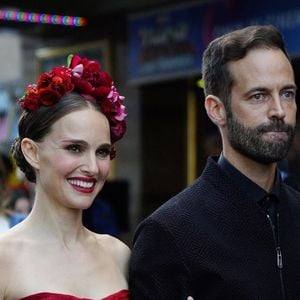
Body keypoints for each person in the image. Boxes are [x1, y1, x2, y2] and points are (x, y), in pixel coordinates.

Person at [129, 25, 300, 299]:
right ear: (216, 110)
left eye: (287, 94)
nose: (279, 110)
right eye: (259, 96)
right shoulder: (169, 233)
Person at [0, 54, 130, 300]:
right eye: (74, 148)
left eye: (101, 151)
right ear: (32, 152)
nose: (92, 167)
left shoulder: (119, 255)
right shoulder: (3, 260)